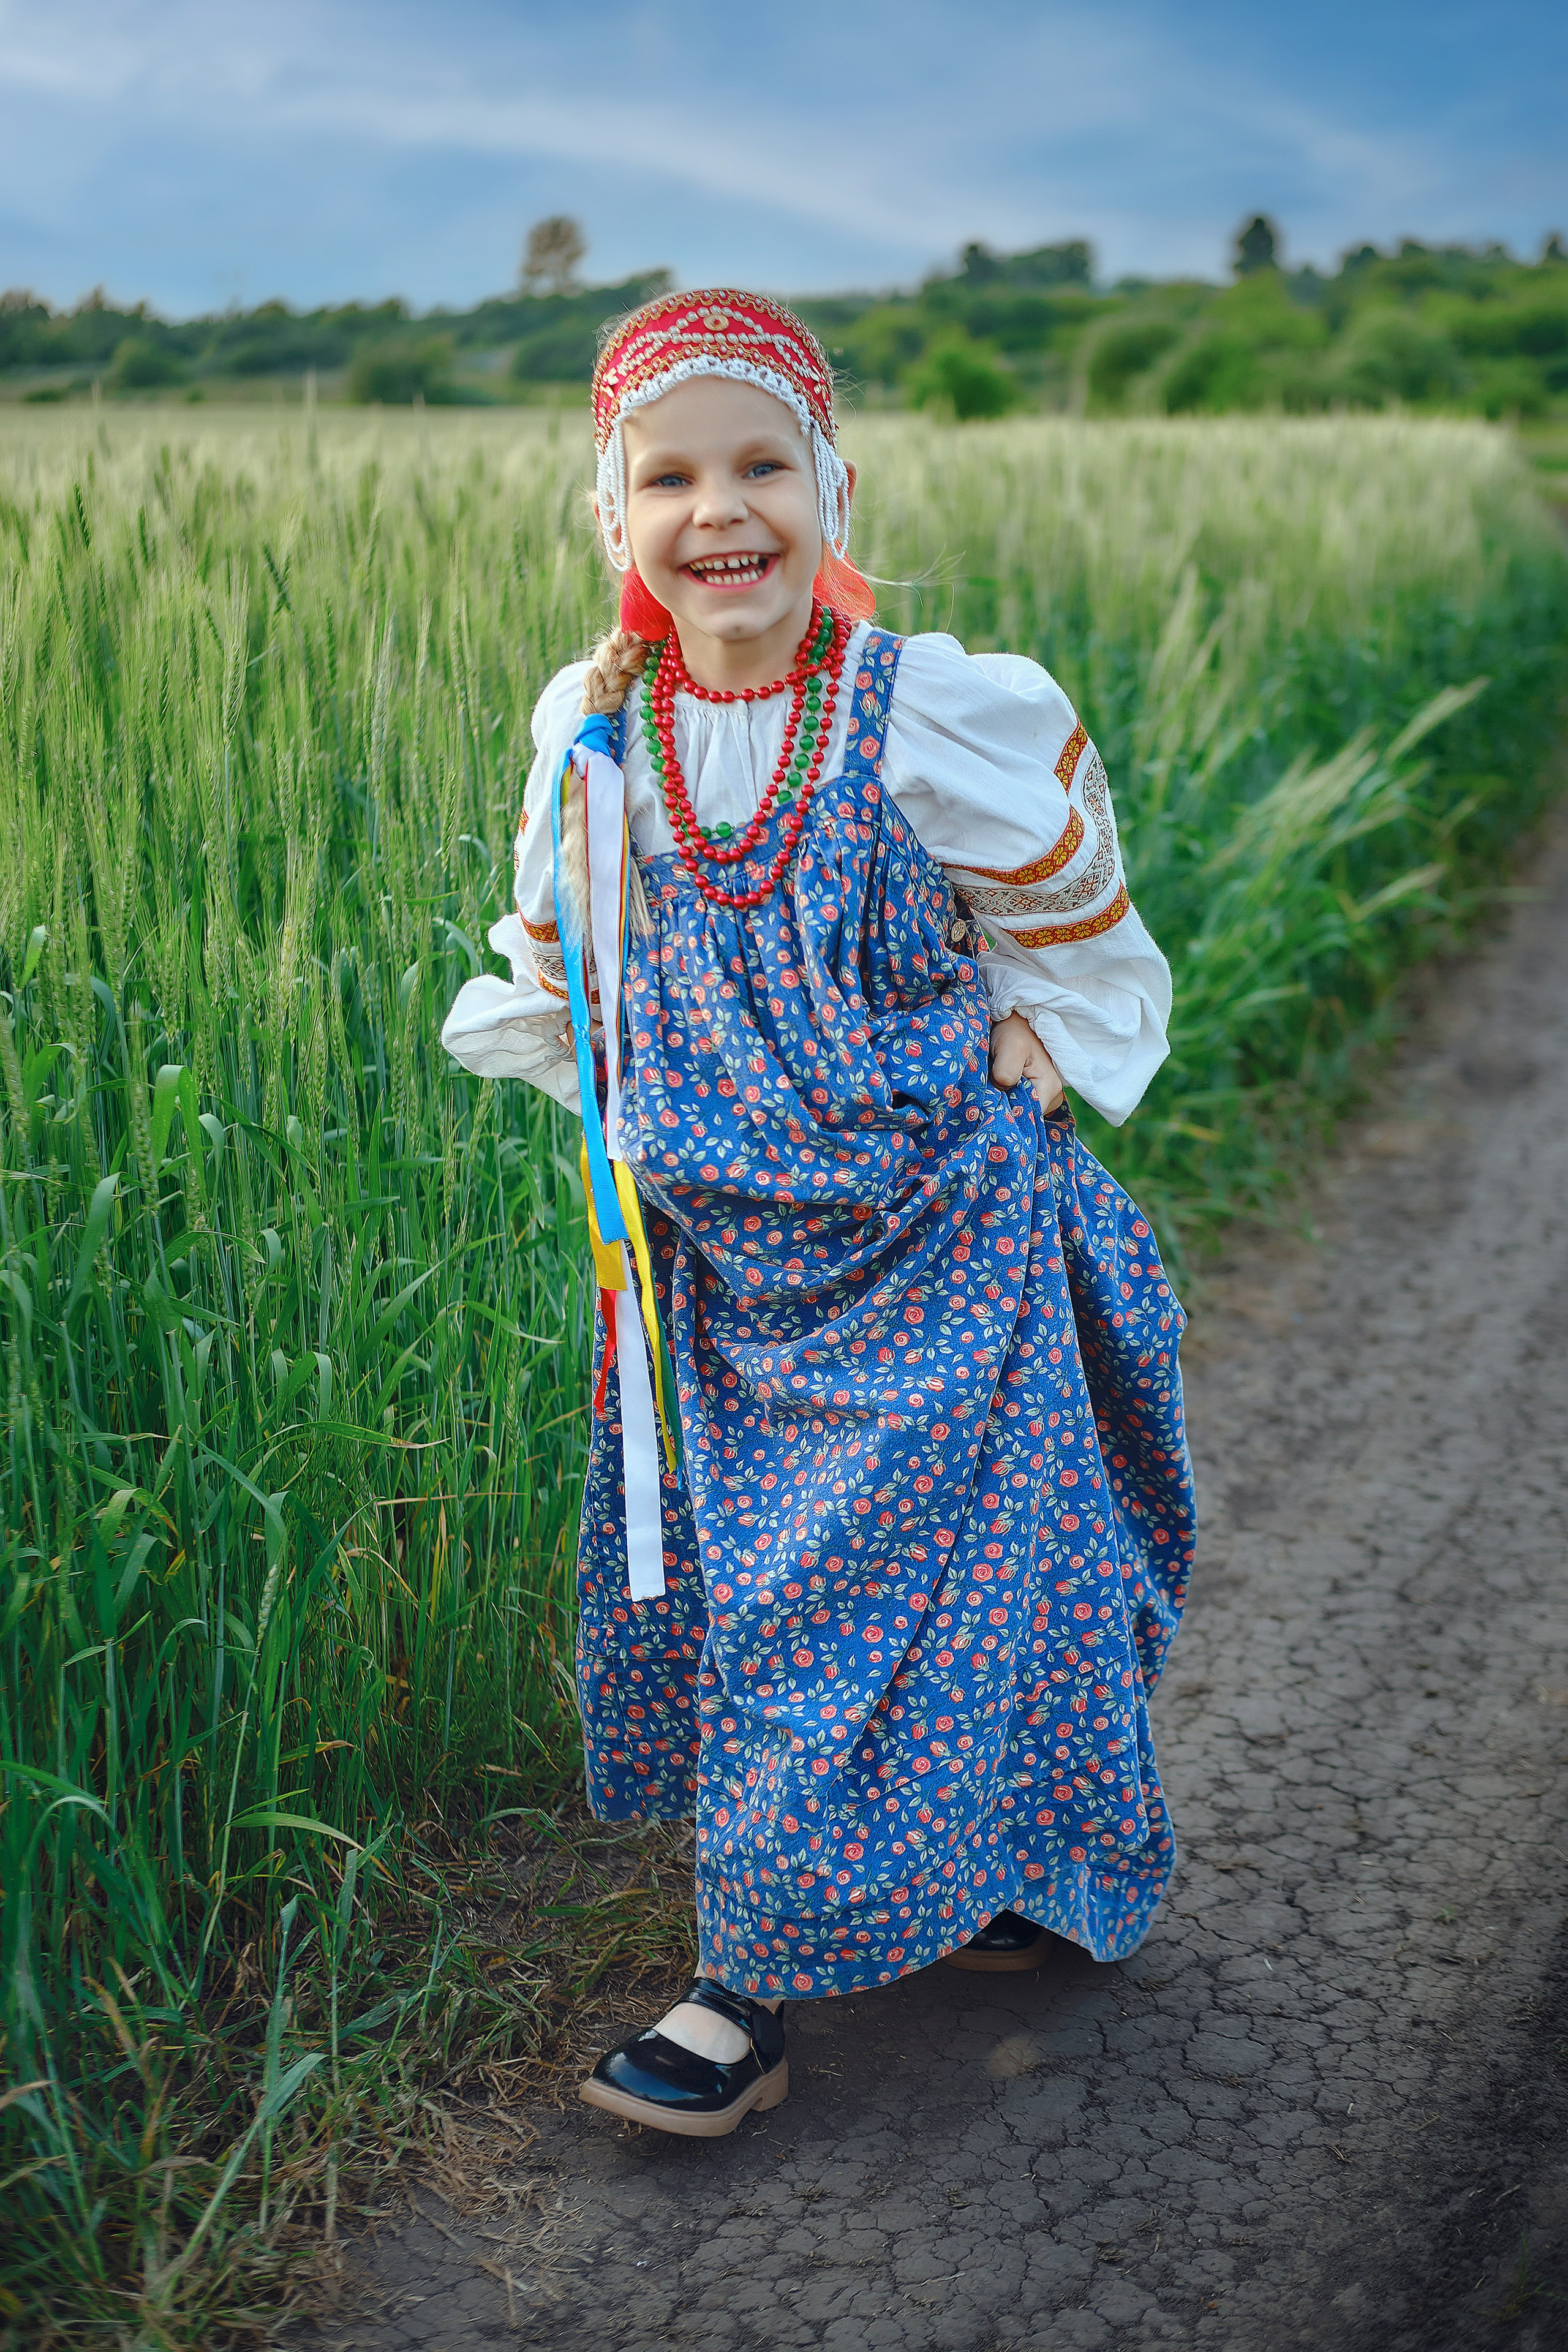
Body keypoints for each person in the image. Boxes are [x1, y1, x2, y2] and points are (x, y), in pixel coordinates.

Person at [443, 288, 1195, 2139]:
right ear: (614, 519)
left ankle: (775, 1976)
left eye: (762, 466)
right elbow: (565, 975)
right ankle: (806, 1944)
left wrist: (1039, 1042)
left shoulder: (925, 710)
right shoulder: (596, 739)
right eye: (671, 478)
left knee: (984, 1586)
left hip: (943, 1241)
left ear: (829, 491)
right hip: (729, 1274)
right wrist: (652, 1124)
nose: (722, 511)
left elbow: (1077, 923)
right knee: (778, 1606)